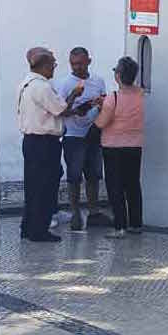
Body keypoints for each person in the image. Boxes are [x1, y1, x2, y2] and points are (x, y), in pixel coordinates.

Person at [17, 47, 87, 242]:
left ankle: (28, 227)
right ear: (44, 66)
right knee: (45, 187)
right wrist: (74, 94)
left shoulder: (25, 83)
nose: (55, 67)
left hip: (31, 142)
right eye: (53, 64)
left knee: (33, 187)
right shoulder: (42, 87)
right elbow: (61, 110)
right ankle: (39, 230)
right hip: (44, 143)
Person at [54, 47, 106, 231]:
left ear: (89, 61)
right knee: (74, 176)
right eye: (73, 64)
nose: (77, 67)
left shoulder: (98, 81)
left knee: (93, 175)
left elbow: (104, 104)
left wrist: (98, 106)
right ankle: (75, 212)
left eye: (81, 63)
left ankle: (94, 212)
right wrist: (76, 108)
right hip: (72, 135)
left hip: (93, 134)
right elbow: (59, 111)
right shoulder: (64, 84)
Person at [95, 56, 145, 238]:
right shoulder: (141, 94)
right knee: (133, 185)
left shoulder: (113, 98)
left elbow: (101, 123)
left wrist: (100, 109)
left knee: (115, 187)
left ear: (118, 75)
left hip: (113, 147)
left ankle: (120, 226)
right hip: (135, 145)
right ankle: (136, 223)